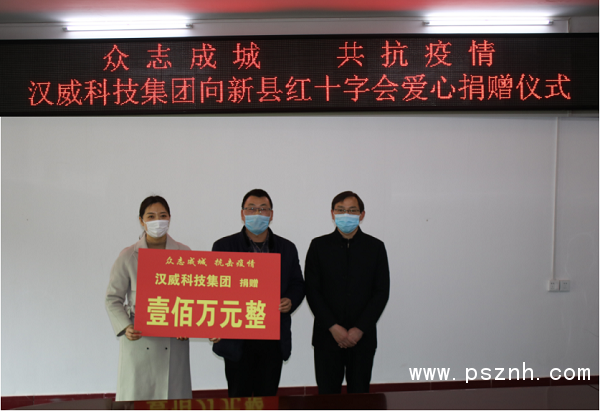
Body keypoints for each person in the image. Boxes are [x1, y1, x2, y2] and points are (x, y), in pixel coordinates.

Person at [212, 189, 305, 398]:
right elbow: (214, 290)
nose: (257, 214)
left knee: (268, 398)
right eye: (251, 209)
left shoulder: (287, 248)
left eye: (263, 209)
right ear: (242, 213)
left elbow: (298, 284)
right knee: (238, 399)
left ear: (271, 214)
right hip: (236, 338)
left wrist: (290, 300)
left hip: (272, 338)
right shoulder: (223, 247)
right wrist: (213, 322)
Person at [105, 196, 193, 401]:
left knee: (173, 398)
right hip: (139, 339)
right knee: (139, 399)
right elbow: (113, 298)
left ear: (169, 218)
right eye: (151, 216)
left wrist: (188, 325)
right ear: (141, 220)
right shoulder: (128, 256)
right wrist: (125, 326)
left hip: (174, 340)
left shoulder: (185, 253)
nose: (157, 221)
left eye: (162, 216)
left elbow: (195, 298)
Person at [305, 191, 390, 395]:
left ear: (362, 214)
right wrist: (333, 327)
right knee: (327, 397)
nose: (346, 215)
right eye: (341, 210)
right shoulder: (318, 246)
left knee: (360, 396)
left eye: (352, 211)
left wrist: (359, 329)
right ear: (332, 213)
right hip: (327, 337)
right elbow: (312, 290)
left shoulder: (375, 247)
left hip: (363, 338)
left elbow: (381, 292)